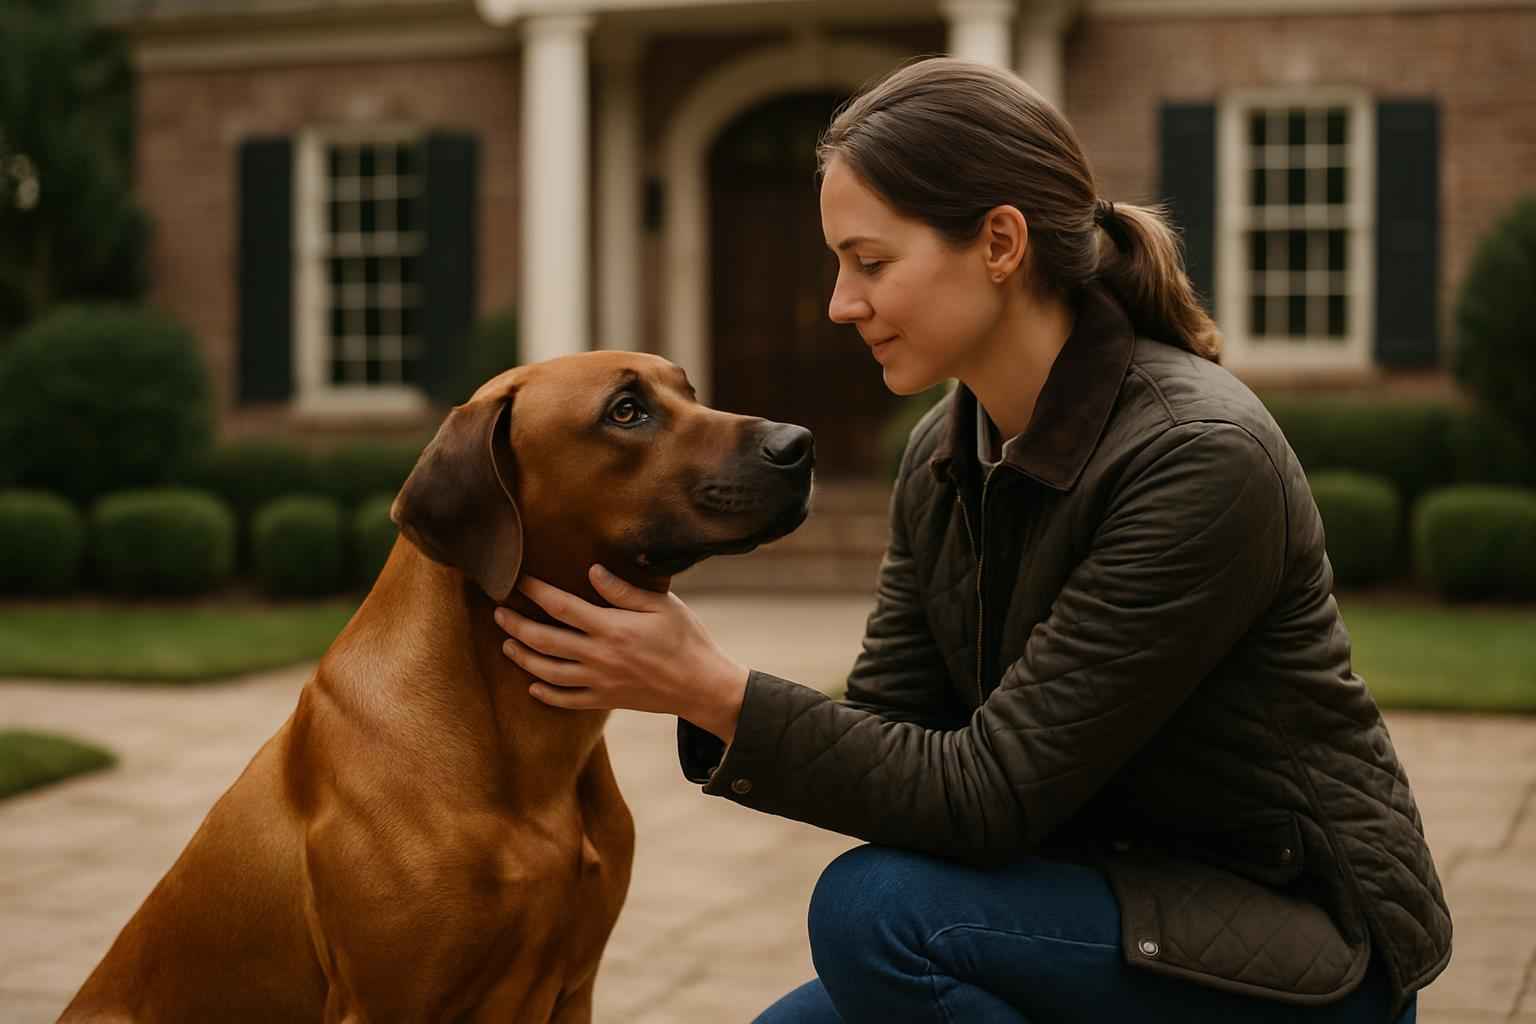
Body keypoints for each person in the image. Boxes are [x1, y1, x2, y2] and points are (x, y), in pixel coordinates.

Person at [492, 57, 1450, 1023]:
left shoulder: (1198, 457)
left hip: (1299, 949)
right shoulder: (947, 453)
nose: (839, 302)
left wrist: (707, 686)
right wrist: (701, 692)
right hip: (1101, 905)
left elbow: (987, 796)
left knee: (877, 915)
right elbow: (893, 735)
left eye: (871, 262)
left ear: (999, 243)